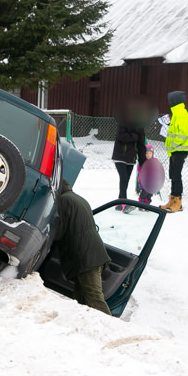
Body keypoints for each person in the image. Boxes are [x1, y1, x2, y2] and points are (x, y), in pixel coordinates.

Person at [54, 180, 112, 315]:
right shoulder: (78, 199)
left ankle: (113, 330)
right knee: (80, 298)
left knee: (95, 300)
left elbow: (59, 231)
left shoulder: (64, 200)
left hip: (85, 257)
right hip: (95, 252)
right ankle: (83, 327)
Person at [159, 90, 188, 213]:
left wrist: (172, 145)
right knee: (173, 175)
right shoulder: (177, 113)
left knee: (176, 175)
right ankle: (172, 199)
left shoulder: (181, 114)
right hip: (175, 150)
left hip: (180, 149)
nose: (169, 102)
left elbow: (183, 134)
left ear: (174, 101)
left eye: (170, 100)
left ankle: (178, 202)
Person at [111, 105, 147, 211]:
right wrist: (134, 137)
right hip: (120, 155)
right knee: (123, 178)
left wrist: (142, 161)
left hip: (131, 158)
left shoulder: (140, 127)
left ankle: (119, 203)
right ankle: (124, 203)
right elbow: (121, 136)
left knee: (126, 180)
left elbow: (141, 145)